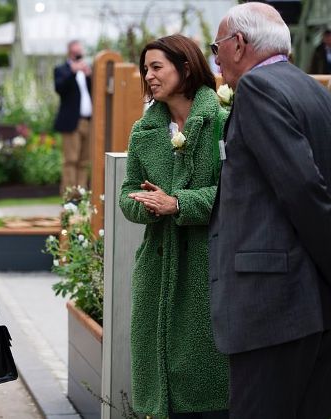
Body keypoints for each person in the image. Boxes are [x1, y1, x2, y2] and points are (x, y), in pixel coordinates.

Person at [209, 3, 331, 418]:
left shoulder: (258, 89)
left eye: (217, 46)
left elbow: (301, 189)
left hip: (271, 307)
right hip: (308, 303)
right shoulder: (311, 87)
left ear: (239, 44)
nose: (215, 58)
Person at [119, 34, 229, 418]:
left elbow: (238, 192)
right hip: (158, 265)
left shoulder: (222, 120)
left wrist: (178, 203)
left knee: (209, 380)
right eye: (144, 69)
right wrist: (147, 207)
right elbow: (128, 192)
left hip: (207, 263)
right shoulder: (143, 131)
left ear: (185, 67)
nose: (148, 76)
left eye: (156, 67)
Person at [54, 40, 93, 193]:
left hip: (88, 121)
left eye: (80, 53)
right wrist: (72, 71)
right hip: (71, 122)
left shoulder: (86, 70)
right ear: (69, 53)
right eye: (75, 53)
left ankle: (81, 193)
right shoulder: (62, 69)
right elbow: (59, 88)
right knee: (71, 160)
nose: (78, 56)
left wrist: (89, 76)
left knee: (84, 161)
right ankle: (69, 195)